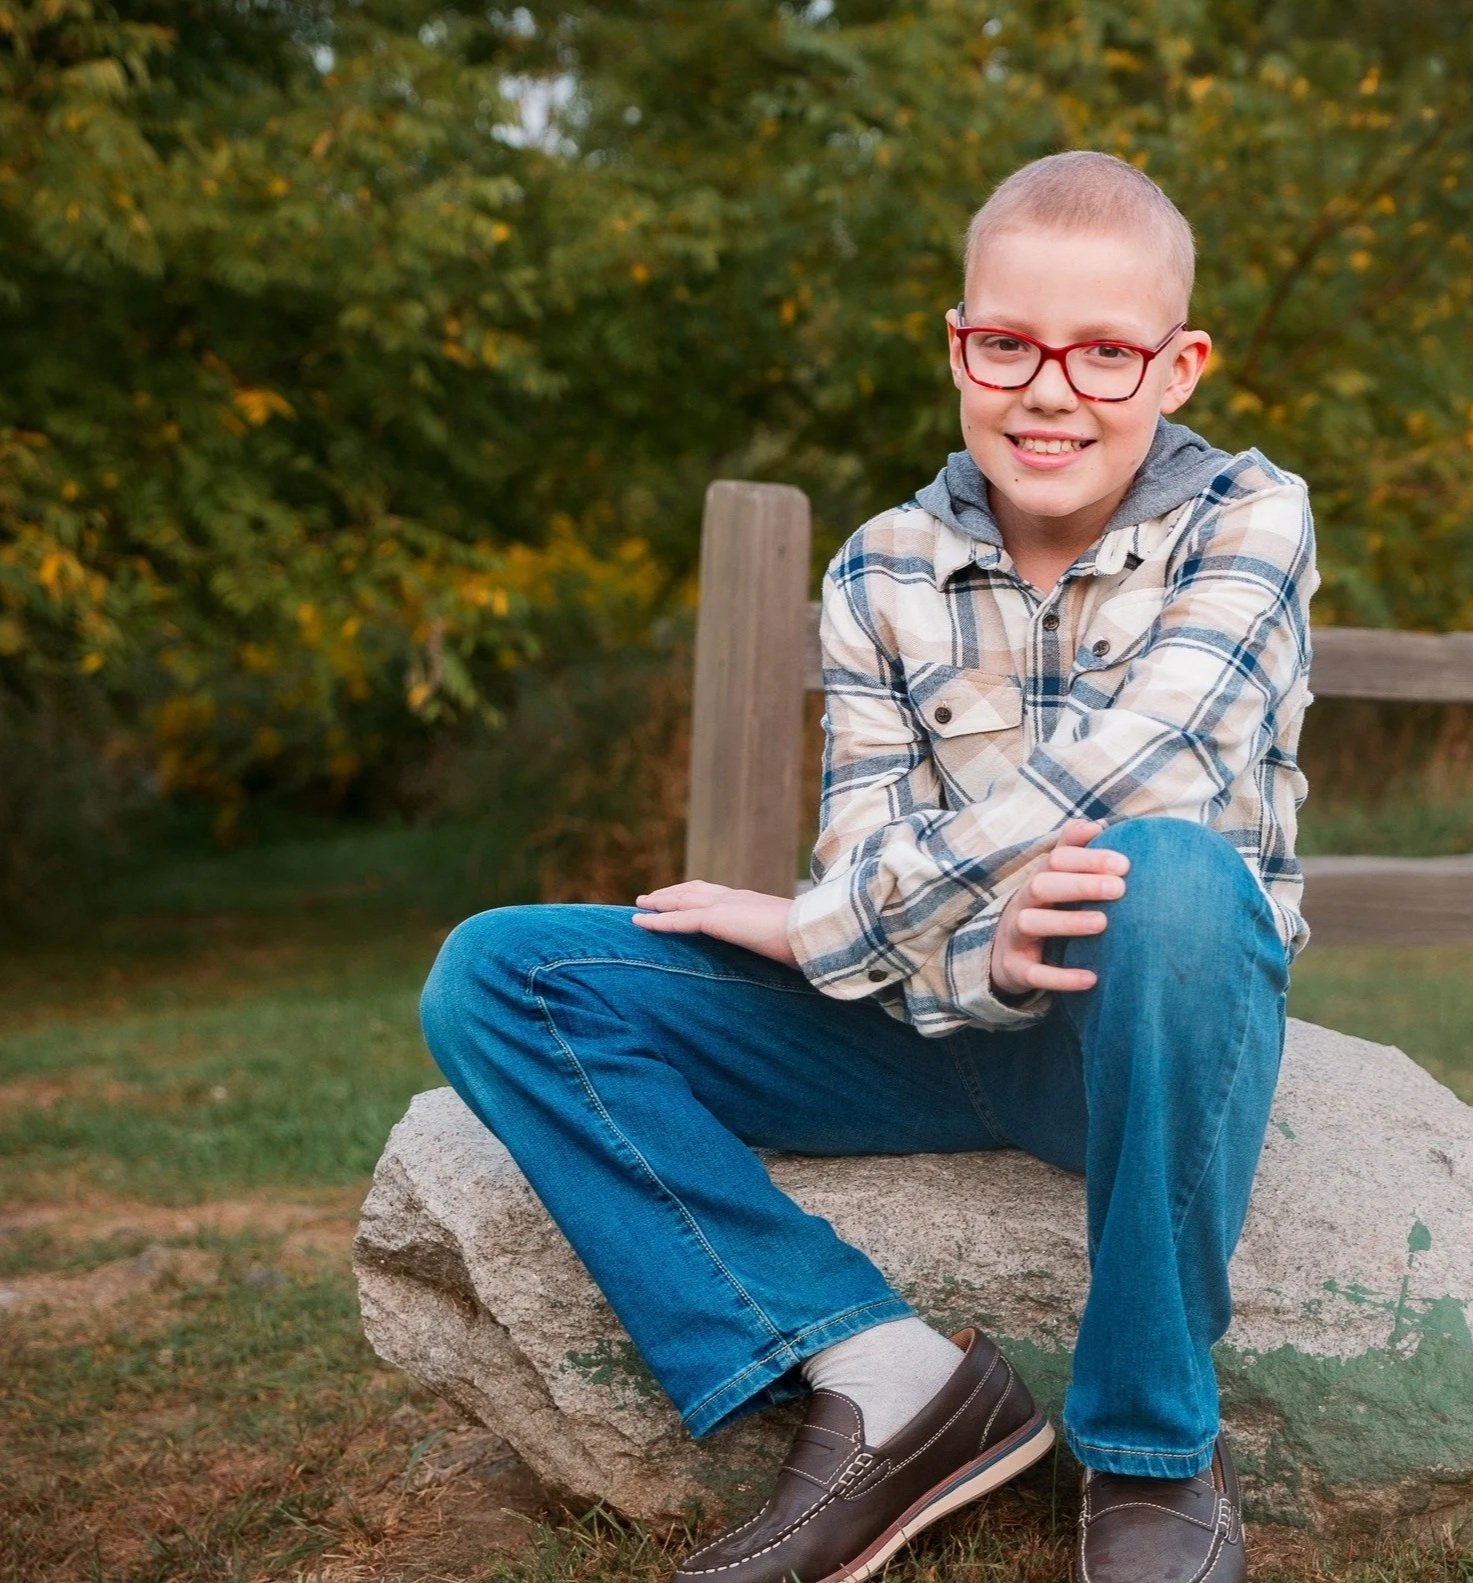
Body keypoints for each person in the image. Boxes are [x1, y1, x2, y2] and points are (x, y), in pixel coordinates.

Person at [419, 149, 1317, 1583]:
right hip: (925, 1023)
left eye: (1104, 353)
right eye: (1007, 343)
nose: (1049, 388)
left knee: (1169, 877)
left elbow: (1148, 775)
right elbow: (869, 840)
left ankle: (1152, 1451)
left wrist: (818, 925)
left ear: (1180, 364)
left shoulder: (1251, 521)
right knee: (505, 975)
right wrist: (975, 949)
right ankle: (891, 1381)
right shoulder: (880, 568)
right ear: (959, 342)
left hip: (1139, 1039)